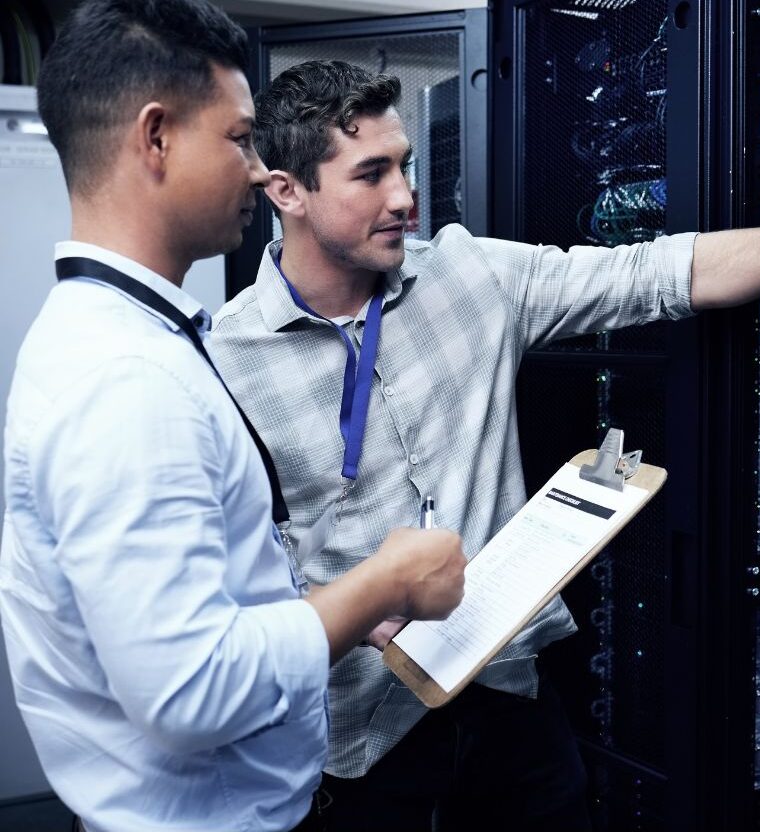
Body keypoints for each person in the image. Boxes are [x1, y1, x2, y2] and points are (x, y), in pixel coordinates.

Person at [208, 58, 760, 832]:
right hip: (358, 738)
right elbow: (225, 584)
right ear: (288, 193)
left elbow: (655, 272)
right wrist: (357, 605)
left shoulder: (470, 275)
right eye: (371, 175)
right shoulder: (225, 365)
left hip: (506, 693)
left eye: (406, 167)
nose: (406, 198)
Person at [0, 5, 466, 832]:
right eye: (240, 138)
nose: (259, 171)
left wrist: (339, 607)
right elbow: (191, 693)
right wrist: (381, 583)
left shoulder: (119, 334)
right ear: (156, 138)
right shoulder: (126, 381)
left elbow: (197, 609)